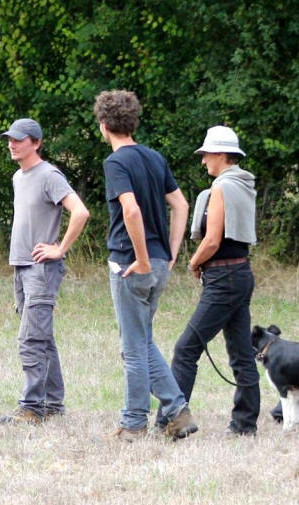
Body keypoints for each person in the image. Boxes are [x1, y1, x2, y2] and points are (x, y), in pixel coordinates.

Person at [92, 90, 196, 441]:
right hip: (159, 263)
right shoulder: (154, 158)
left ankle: (134, 424)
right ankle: (177, 412)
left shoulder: (116, 163)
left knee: (133, 349)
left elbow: (131, 210)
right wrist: (171, 251)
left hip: (131, 264)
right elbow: (181, 205)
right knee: (143, 340)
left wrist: (139, 257)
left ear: (104, 126)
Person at [0, 118, 90, 425]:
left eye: (19, 139)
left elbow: (80, 212)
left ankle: (31, 407)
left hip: (41, 269)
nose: (12, 143)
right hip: (21, 266)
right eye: (10, 138)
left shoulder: (49, 175)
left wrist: (59, 249)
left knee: (31, 339)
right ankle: (52, 403)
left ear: (36, 143)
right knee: (42, 336)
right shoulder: (17, 177)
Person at [170, 125, 259, 436]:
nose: (203, 160)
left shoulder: (222, 188)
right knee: (241, 353)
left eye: (207, 154)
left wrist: (193, 263)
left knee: (185, 349)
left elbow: (211, 240)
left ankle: (173, 421)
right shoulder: (244, 183)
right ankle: (244, 425)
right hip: (241, 272)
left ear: (222, 155)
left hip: (223, 276)